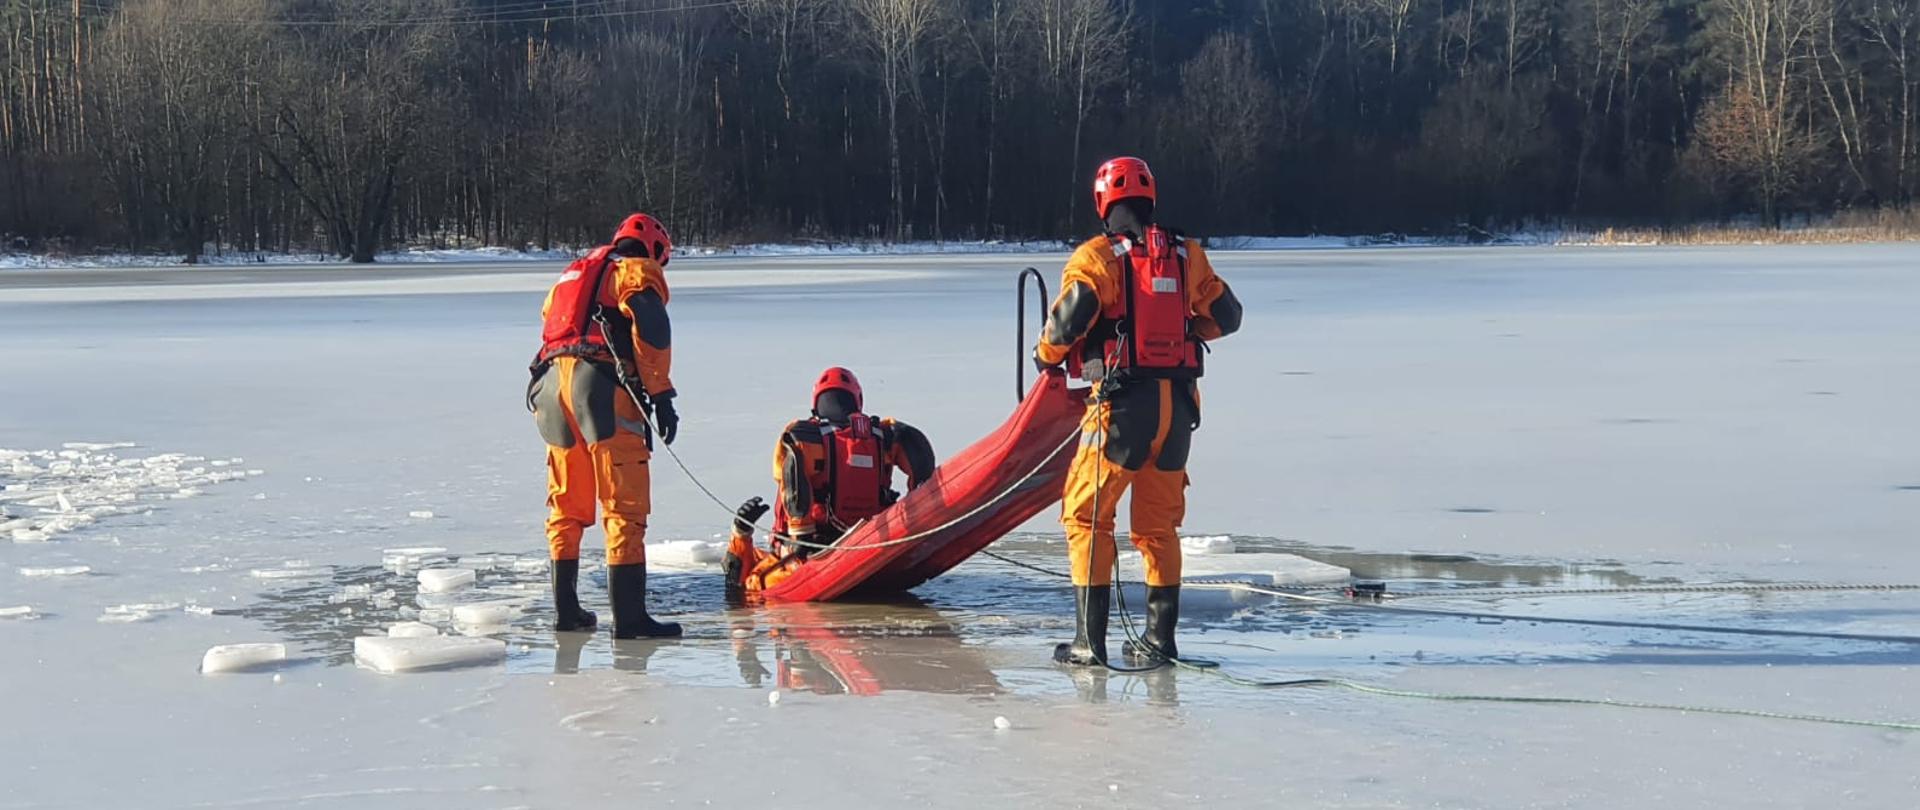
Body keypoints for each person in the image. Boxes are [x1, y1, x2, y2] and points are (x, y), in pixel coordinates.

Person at [1033, 157, 1243, 666]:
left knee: (1086, 518)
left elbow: (1069, 321)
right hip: (1177, 414)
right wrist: (1187, 333)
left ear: (1104, 204)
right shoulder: (1186, 255)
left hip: (1122, 411)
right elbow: (1227, 316)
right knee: (1157, 528)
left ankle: (1089, 641)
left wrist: (1046, 356)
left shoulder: (1097, 259)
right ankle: (1160, 640)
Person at [528, 213, 684, 639]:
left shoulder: (570, 277)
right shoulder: (633, 270)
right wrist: (662, 394)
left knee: (566, 505)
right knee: (623, 502)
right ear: (654, 250)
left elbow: (551, 326)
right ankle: (630, 620)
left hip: (550, 389)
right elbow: (652, 328)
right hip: (600, 385)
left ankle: (567, 612)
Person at [724, 367, 935, 593]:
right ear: (857, 400)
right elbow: (919, 458)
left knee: (747, 585)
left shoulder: (803, 438)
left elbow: (789, 480)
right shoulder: (886, 436)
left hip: (809, 553)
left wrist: (744, 533)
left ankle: (740, 537)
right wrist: (922, 508)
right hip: (878, 540)